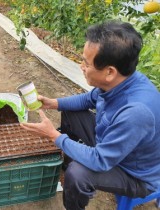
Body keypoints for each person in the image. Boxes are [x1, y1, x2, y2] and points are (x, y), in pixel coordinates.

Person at [20, 20, 160, 210]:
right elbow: (88, 99)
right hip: (111, 144)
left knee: (78, 174)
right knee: (70, 112)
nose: (81, 66)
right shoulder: (120, 81)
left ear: (110, 72)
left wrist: (54, 136)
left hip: (134, 173)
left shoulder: (136, 111)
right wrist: (54, 103)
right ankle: (68, 160)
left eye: (86, 63)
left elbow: (101, 160)